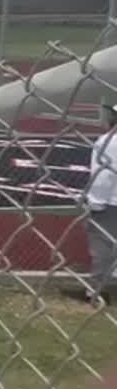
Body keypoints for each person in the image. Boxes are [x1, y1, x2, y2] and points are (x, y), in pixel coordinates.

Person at [83, 102, 117, 306]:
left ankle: (95, 291)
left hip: (111, 202)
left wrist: (95, 202)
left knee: (103, 247)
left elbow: (101, 176)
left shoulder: (108, 142)